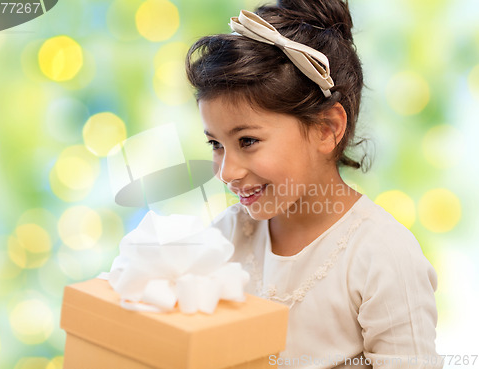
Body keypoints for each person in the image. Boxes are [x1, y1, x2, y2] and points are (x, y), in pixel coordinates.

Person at [185, 0, 442, 368]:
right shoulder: (225, 238)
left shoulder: (382, 257)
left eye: (247, 141)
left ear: (326, 129)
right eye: (215, 144)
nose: (227, 172)